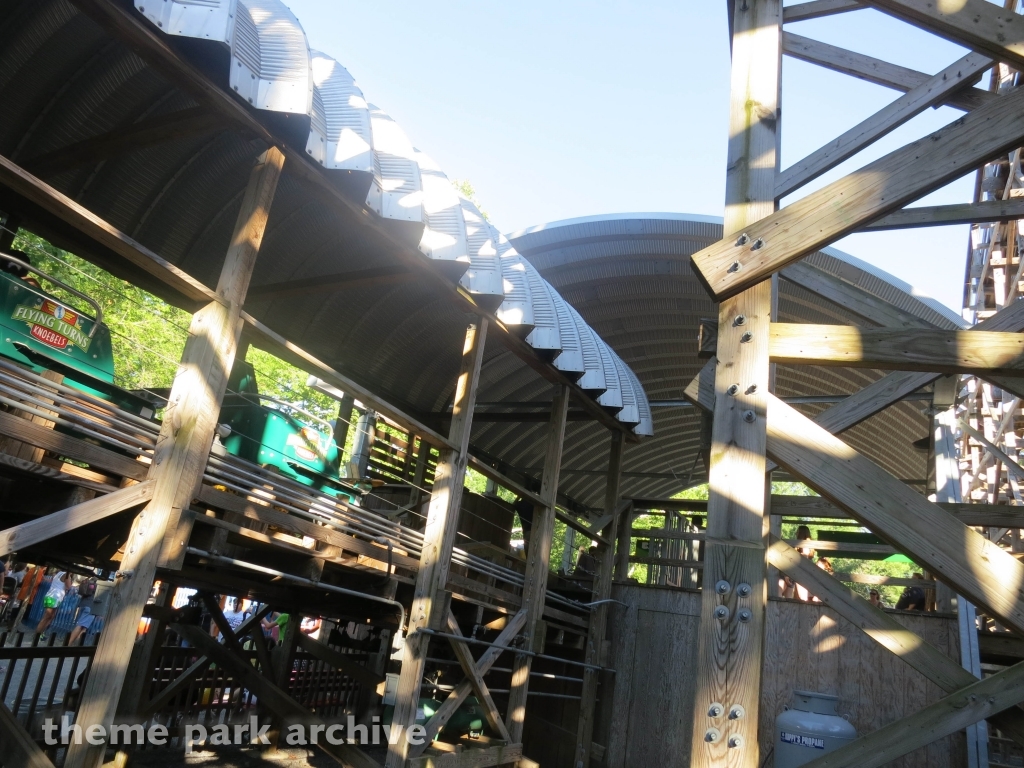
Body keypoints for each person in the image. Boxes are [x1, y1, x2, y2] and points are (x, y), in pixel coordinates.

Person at [36, 571, 72, 636]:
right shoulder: (67, 575)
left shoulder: (59, 573)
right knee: (46, 617)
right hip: (54, 597)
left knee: (51, 616)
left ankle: (41, 633)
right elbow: (69, 587)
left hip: (51, 596)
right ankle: (37, 635)